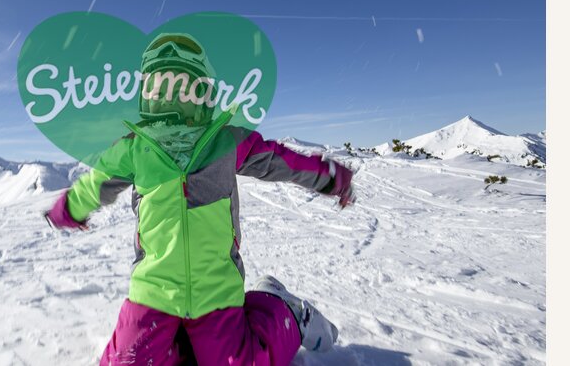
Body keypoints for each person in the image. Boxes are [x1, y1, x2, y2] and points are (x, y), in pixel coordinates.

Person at [45, 32, 355, 366]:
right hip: (153, 291)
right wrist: (68, 209)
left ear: (203, 94)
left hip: (215, 291)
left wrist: (328, 177)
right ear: (147, 94)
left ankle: (283, 311)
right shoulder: (135, 148)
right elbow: (95, 184)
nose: (172, 98)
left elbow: (279, 161)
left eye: (184, 88)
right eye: (160, 87)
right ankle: (180, 345)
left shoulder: (225, 142)